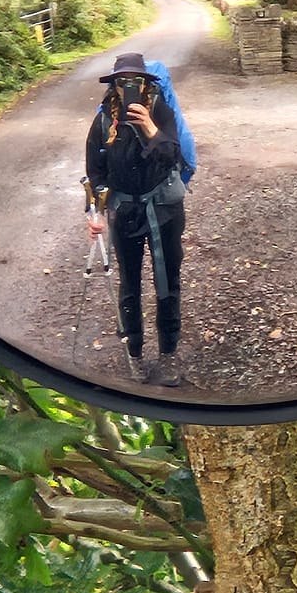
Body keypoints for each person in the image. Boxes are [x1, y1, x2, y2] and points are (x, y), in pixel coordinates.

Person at [85, 52, 186, 386]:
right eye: (122, 81)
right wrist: (96, 211)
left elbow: (173, 156)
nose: (129, 87)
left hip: (164, 210)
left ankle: (169, 353)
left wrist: (151, 128)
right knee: (129, 285)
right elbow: (95, 172)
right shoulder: (102, 122)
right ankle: (135, 353)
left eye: (136, 81)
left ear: (145, 84)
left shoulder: (160, 111)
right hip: (125, 211)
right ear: (114, 85)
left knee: (167, 281)